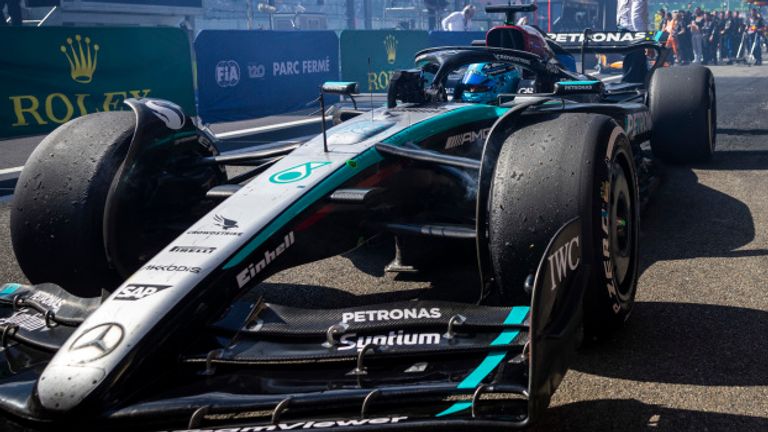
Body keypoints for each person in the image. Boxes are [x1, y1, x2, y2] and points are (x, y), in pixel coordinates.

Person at [617, 0, 649, 82]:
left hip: (624, 28)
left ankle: (629, 86)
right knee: (635, 66)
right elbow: (636, 17)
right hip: (634, 31)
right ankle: (631, 87)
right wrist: (643, 38)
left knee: (630, 62)